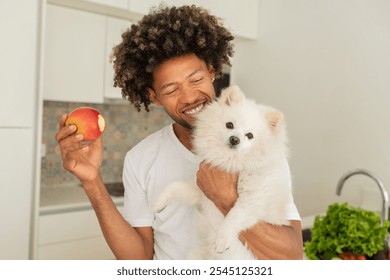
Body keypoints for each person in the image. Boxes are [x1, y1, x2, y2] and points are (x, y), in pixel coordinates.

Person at [55, 4, 303, 260]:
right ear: (155, 97)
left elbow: (292, 257)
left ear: (212, 72)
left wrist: (226, 199)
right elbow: (137, 259)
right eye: (172, 90)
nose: (190, 97)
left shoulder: (260, 151)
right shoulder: (141, 158)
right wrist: (92, 182)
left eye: (196, 80)